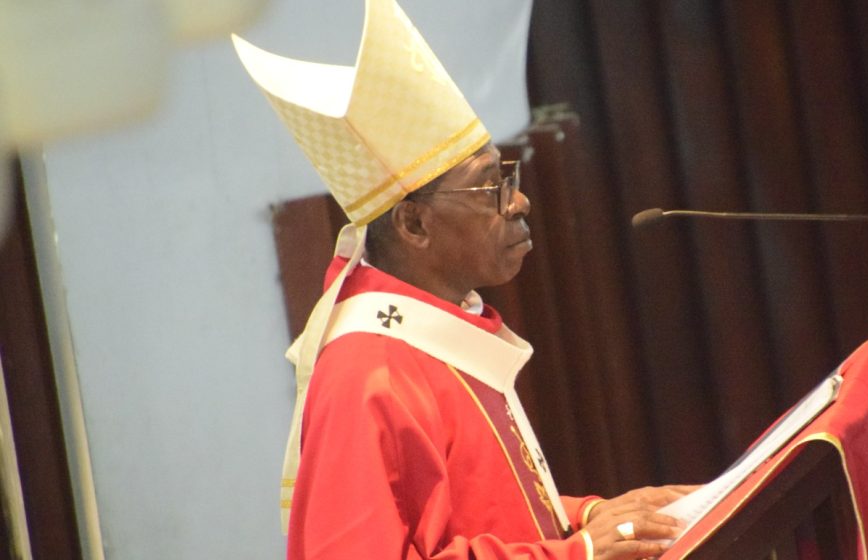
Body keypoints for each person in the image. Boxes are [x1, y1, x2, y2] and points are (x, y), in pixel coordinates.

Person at [233, 1, 692, 558]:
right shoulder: (367, 370)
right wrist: (576, 554)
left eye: (507, 175)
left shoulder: (434, 333)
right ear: (414, 223)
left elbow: (478, 511)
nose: (519, 200)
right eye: (488, 187)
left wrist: (588, 516)